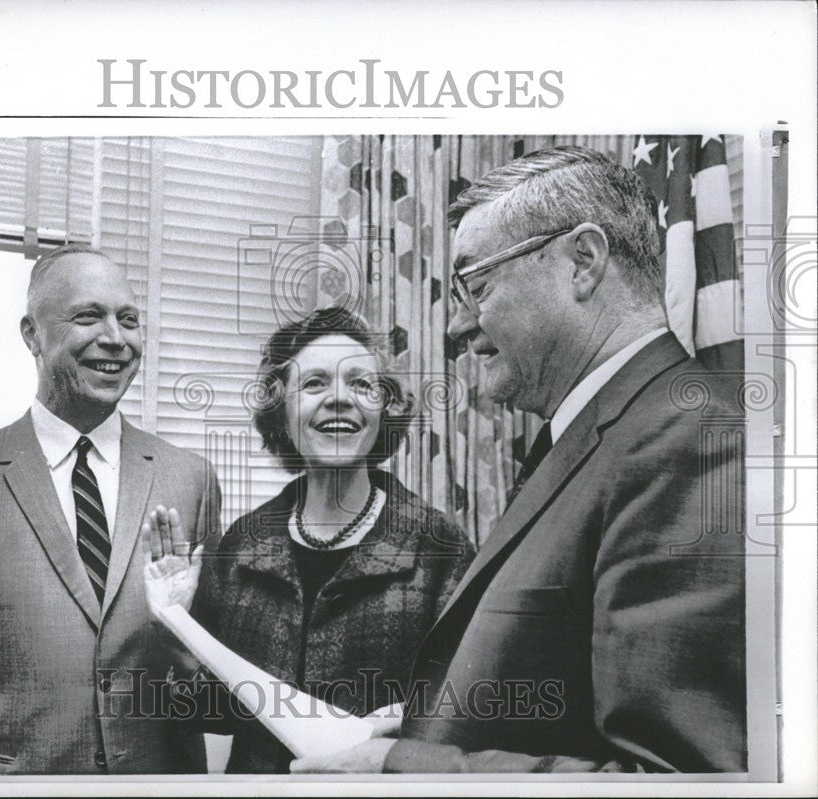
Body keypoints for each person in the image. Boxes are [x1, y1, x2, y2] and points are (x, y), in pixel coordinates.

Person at [290, 146, 746, 774]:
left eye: (475, 287)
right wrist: (433, 719)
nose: (455, 326)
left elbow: (682, 781)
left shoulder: (693, 442)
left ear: (582, 262)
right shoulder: (600, 435)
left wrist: (405, 768)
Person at [0, 244, 220, 774]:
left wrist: (182, 637)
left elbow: (212, 674)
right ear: (32, 334)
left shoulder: (191, 478)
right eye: (88, 316)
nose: (115, 339)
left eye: (129, 320)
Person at [187, 306, 475, 773]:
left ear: (385, 411)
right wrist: (179, 624)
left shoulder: (440, 547)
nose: (339, 399)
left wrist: (416, 725)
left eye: (361, 384)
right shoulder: (241, 545)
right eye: (315, 383)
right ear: (281, 412)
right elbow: (210, 711)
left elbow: (476, 706)